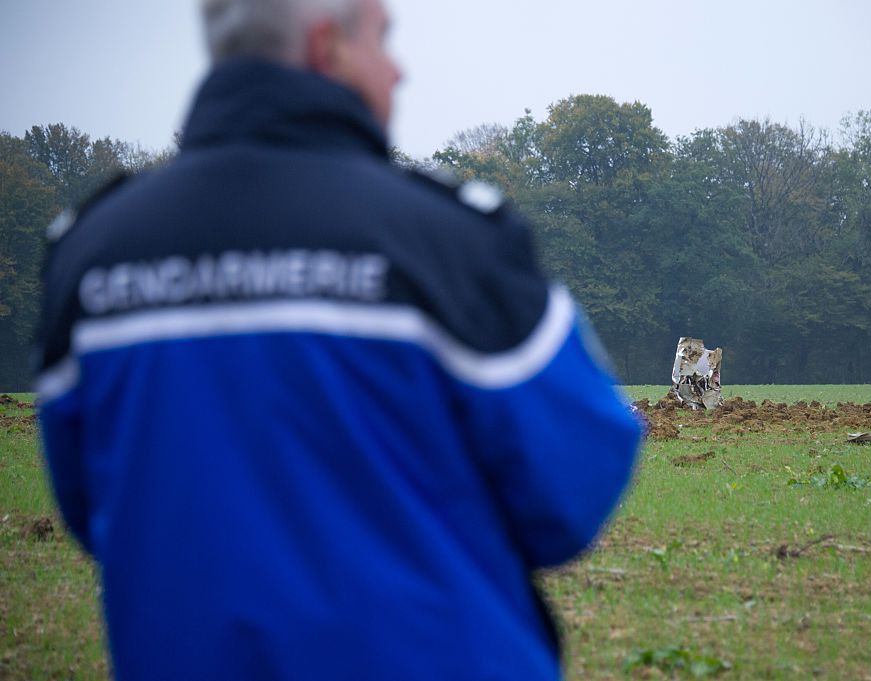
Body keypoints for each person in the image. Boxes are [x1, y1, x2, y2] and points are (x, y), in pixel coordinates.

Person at [34, 0, 641, 678]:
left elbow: (90, 506)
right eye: (384, 39)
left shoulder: (87, 254)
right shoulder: (445, 241)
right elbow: (573, 488)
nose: (400, 71)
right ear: (331, 49)